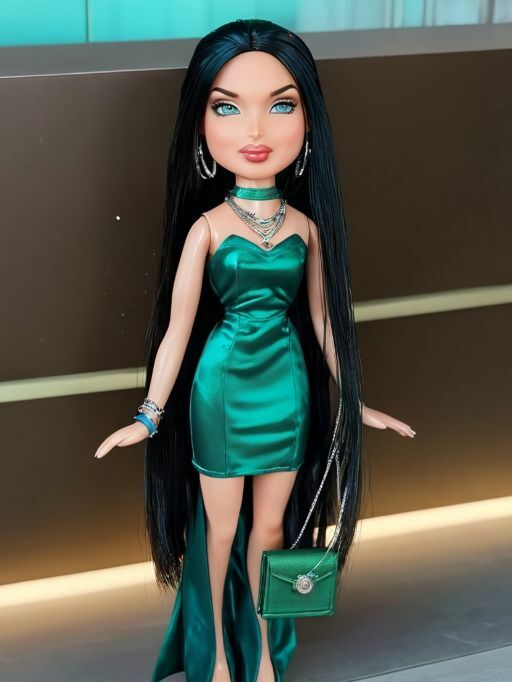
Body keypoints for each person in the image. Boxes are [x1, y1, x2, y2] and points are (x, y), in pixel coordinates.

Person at [94, 18, 415, 682]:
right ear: (201, 126)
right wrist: (149, 415)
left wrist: (355, 401)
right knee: (217, 533)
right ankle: (213, 655)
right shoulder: (207, 229)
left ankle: (263, 656)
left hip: (286, 390)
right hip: (222, 388)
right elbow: (178, 329)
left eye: (282, 105)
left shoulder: (306, 228)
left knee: (270, 533)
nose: (256, 129)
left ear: (308, 121)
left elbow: (324, 322)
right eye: (228, 107)